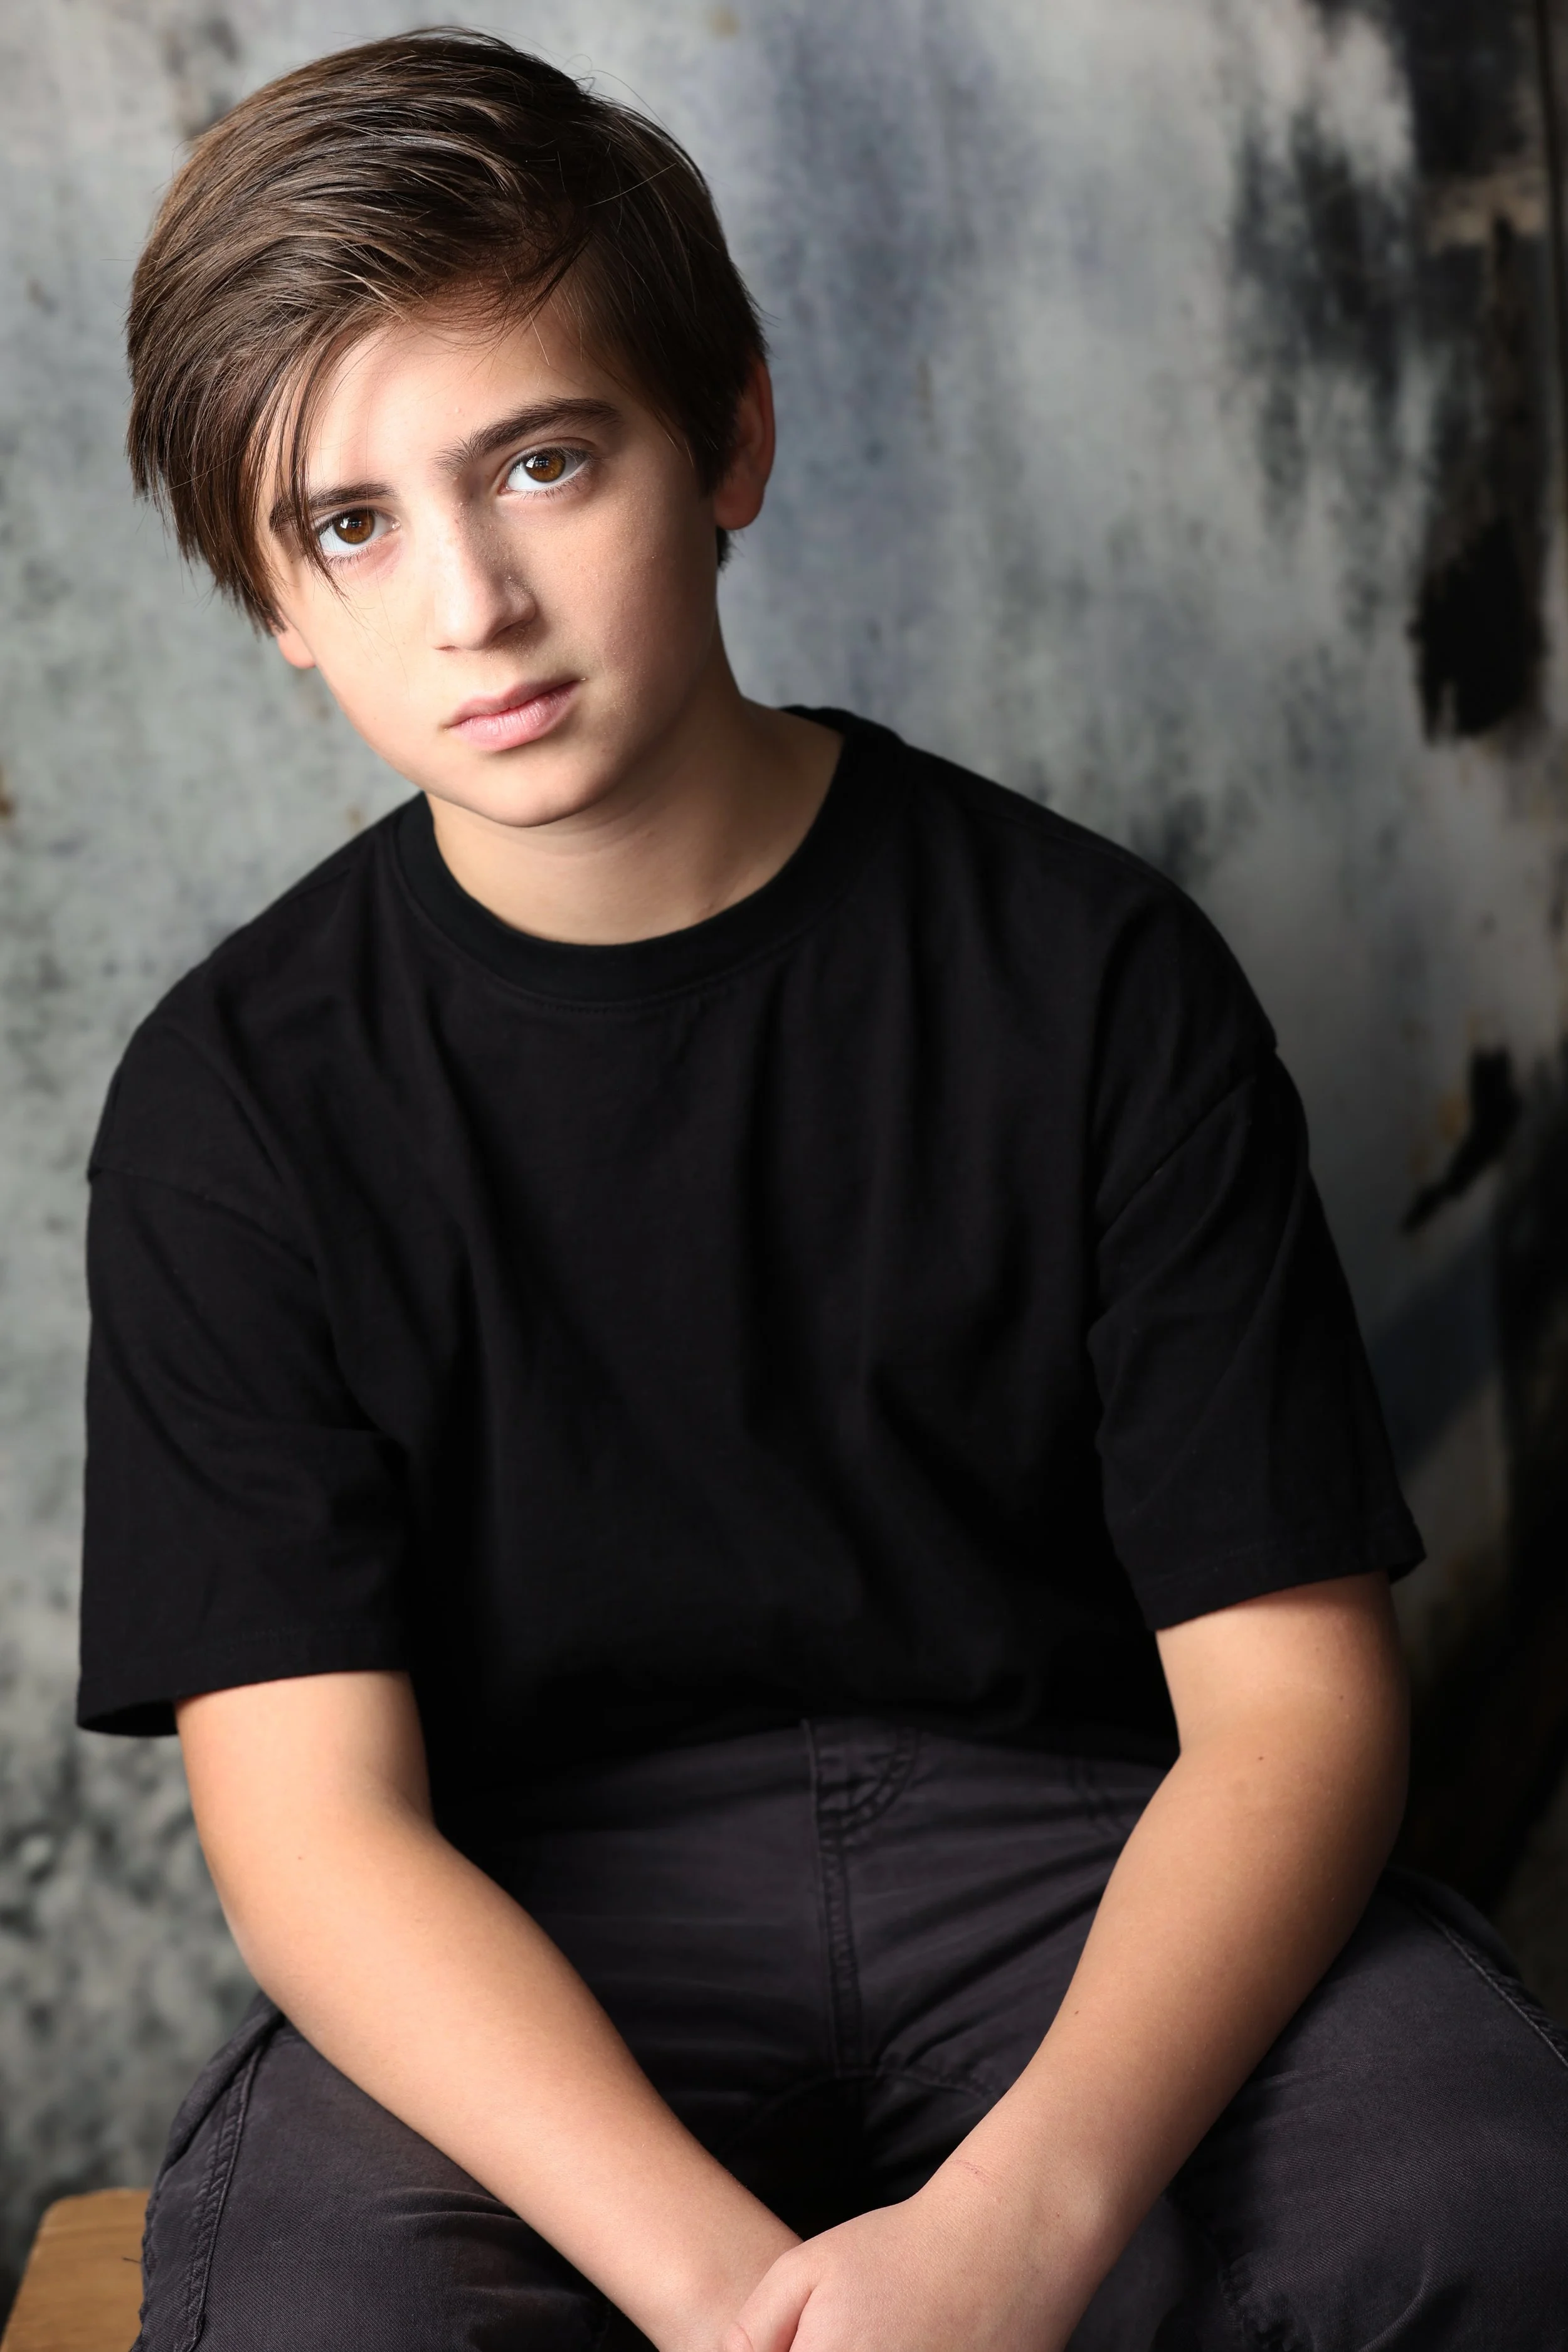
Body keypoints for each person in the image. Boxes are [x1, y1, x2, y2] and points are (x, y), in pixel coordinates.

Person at [78, 28, 1567, 2352]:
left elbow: (1287, 1713)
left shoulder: (1093, 977)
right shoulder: (235, 1103)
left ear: (729, 439)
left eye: (542, 460)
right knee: (314, 2310)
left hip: (1084, 1859)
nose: (465, 600)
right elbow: (321, 1832)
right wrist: (709, 2292)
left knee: (1475, 2183)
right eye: (350, 522)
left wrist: (1015, 2228)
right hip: (536, 1918)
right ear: (273, 591)